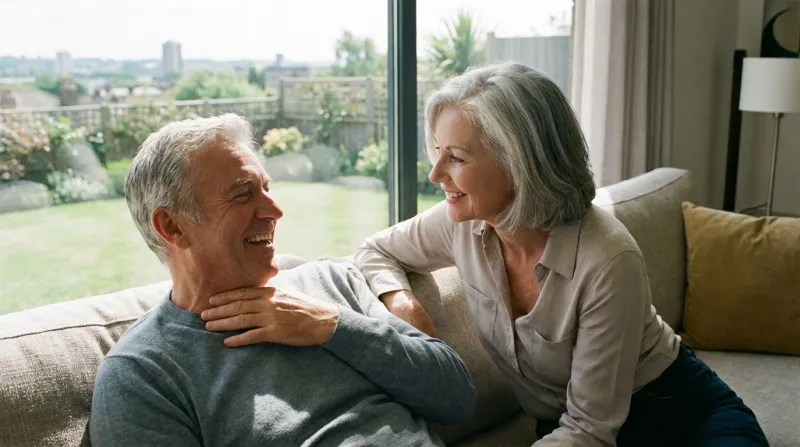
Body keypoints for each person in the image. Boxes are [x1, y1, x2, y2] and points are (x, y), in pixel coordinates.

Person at [352, 62, 768, 447]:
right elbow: (375, 250)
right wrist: (403, 305)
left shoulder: (607, 257)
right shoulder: (459, 223)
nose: (435, 173)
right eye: (438, 150)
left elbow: (590, 428)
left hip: (676, 410)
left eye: (456, 157)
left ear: (521, 163)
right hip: (564, 426)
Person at [89, 114, 476, 447]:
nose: (275, 210)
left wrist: (333, 327)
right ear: (172, 226)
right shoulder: (141, 373)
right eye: (243, 195)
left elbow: (457, 398)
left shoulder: (331, 281)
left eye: (267, 189)